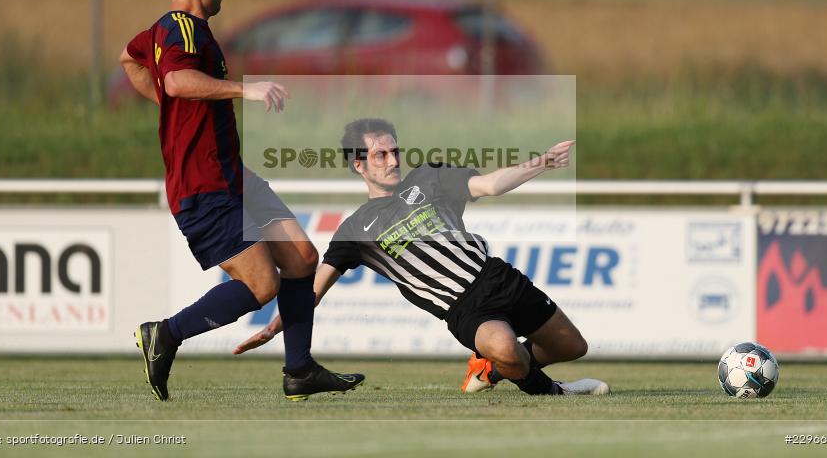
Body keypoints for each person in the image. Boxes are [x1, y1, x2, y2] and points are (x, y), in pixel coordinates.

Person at [119, 0, 363, 402]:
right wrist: (241, 90)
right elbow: (173, 79)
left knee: (301, 259)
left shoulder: (167, 31)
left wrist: (171, 110)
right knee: (261, 283)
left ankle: (299, 370)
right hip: (204, 184)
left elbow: (130, 59)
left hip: (233, 175)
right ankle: (165, 334)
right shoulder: (182, 28)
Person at [233, 118, 609, 397]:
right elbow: (312, 290)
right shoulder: (354, 230)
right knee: (509, 349)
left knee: (573, 347)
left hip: (498, 278)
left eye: (395, 151)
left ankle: (488, 372)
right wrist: (274, 326)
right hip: (465, 309)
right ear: (359, 165)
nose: (392, 160)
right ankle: (554, 393)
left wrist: (542, 162)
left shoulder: (429, 177)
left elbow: (491, 185)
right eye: (380, 154)